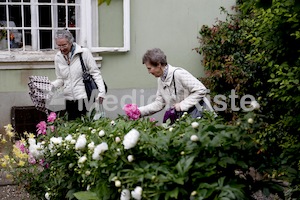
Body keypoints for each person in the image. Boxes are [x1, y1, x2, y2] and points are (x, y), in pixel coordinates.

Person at [138, 48, 210, 122]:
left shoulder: (178, 73)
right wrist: (138, 112)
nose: (149, 72)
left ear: (158, 64)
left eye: (149, 68)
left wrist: (182, 105)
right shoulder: (160, 80)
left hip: (201, 117)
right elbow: (159, 103)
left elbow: (201, 89)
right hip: (185, 120)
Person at [51, 29, 106, 120]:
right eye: (59, 46)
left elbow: (95, 73)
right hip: (69, 100)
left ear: (71, 42)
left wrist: (101, 92)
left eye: (64, 45)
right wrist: (51, 86)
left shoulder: (83, 53)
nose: (61, 49)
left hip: (84, 98)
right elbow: (61, 79)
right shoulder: (58, 57)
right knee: (73, 128)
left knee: (86, 127)